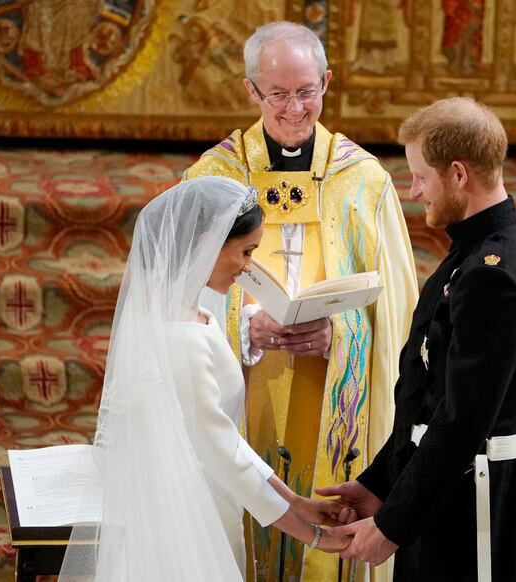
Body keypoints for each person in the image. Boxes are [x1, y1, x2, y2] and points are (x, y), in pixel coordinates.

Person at [183, 21, 418, 581]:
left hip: (332, 392)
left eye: (306, 91)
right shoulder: (212, 178)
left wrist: (344, 336)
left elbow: (401, 313)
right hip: (242, 388)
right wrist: (244, 328)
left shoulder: (363, 181)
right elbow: (177, 300)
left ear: (327, 83)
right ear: (251, 92)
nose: (294, 108)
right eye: (279, 93)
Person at [58, 177, 349, 582]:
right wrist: (313, 537)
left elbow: (225, 437)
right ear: (204, 243)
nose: (249, 267)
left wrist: (298, 502)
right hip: (184, 523)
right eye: (245, 252)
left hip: (201, 504)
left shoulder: (188, 312)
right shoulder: (182, 336)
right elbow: (222, 454)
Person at [319, 97, 516, 581]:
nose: (414, 189)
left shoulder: (493, 276)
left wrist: (393, 525)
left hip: (471, 506)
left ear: (459, 175)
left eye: (421, 175)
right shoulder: (474, 249)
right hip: (446, 491)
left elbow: (461, 423)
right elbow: (427, 396)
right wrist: (381, 483)